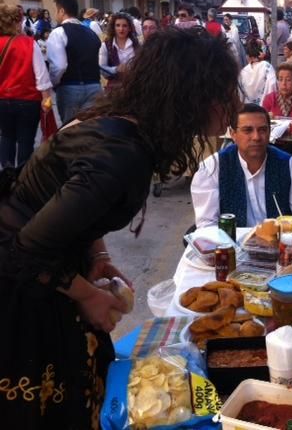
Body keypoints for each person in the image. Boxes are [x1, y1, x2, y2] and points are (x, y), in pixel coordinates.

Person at [0, 27, 240, 429]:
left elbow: (69, 205)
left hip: (52, 270)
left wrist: (98, 254)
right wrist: (87, 296)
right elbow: (26, 249)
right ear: (193, 97)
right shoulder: (121, 153)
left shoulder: (124, 127)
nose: (234, 105)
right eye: (225, 92)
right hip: (23, 287)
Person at [191, 103, 292, 228]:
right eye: (248, 130)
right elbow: (207, 225)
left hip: (280, 244)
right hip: (231, 244)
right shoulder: (213, 168)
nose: (256, 137)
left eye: (262, 130)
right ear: (233, 134)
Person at [0, 4, 54, 168]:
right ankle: (21, 179)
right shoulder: (29, 43)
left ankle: (6, 177)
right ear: (18, 22)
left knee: (6, 137)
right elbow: (42, 77)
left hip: (2, 100)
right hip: (28, 101)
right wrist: (47, 102)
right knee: (26, 141)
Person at [46, 0, 102, 123]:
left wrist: (53, 83)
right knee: (91, 130)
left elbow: (59, 66)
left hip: (70, 87)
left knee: (70, 132)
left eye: (56, 10)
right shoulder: (91, 33)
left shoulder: (58, 32)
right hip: (94, 86)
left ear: (62, 11)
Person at [99, 12, 139, 90]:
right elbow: (102, 69)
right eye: (118, 25)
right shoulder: (106, 46)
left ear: (130, 28)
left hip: (134, 87)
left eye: (125, 26)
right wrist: (116, 69)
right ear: (113, 27)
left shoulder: (137, 45)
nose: (121, 29)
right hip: (114, 89)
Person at [238, 40, 277, 106]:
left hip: (247, 109)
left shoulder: (242, 72)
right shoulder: (266, 66)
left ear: (247, 56)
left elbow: (240, 92)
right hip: (265, 106)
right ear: (260, 53)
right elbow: (272, 84)